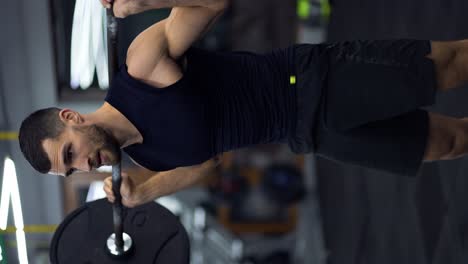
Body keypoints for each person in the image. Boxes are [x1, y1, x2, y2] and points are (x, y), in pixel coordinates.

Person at [18, 0, 468, 208]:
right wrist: (147, 190)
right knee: (446, 143)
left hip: (308, 81)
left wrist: (146, 3)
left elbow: (214, 2)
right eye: (73, 169)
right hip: (306, 134)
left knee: (449, 67)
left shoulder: (140, 68)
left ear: (71, 118)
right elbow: (207, 164)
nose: (85, 165)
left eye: (71, 153)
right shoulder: (146, 155)